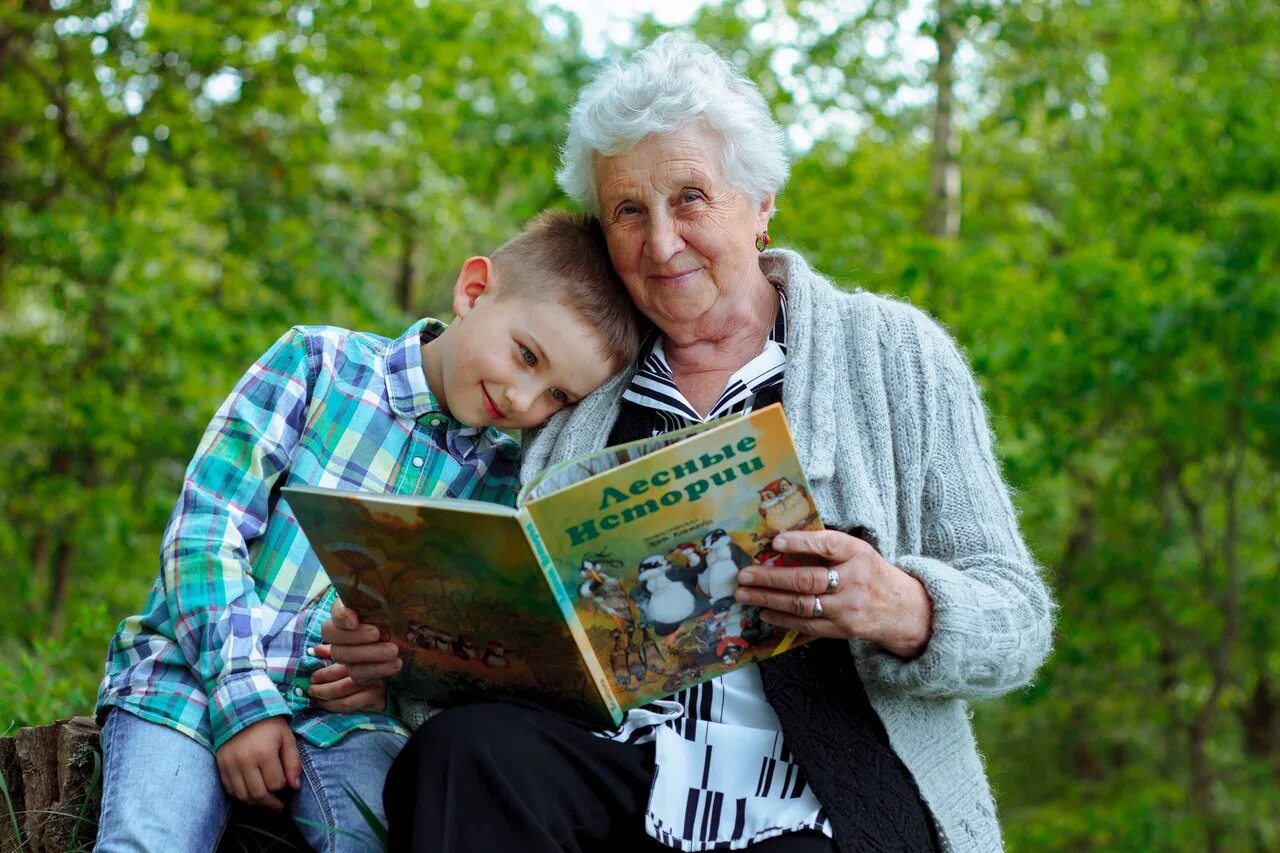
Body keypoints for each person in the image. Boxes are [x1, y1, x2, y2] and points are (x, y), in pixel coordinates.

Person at [324, 34, 1054, 853]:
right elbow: (512, 626)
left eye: (692, 198)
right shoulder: (579, 383)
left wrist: (903, 606)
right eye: (628, 211)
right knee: (462, 755)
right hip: (623, 777)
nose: (661, 242)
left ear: (762, 201)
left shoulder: (895, 354)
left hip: (817, 803)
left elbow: (1019, 619)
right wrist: (410, 649)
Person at [92, 210, 641, 853]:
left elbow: (447, 645)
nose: (525, 399)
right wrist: (244, 701)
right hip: (192, 680)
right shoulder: (319, 365)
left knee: (379, 836)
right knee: (147, 840)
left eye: (557, 396)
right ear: (473, 292)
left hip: (343, 724)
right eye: (526, 355)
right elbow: (205, 530)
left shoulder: (504, 487)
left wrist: (387, 678)